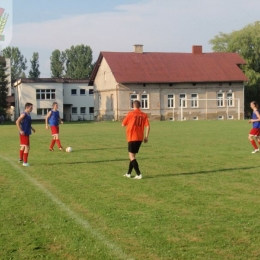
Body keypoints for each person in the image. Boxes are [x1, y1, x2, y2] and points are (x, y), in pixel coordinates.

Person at [122, 100, 150, 179]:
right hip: (139, 137)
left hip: (132, 136)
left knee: (131, 156)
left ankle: (138, 174)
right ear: (140, 106)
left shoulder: (131, 114)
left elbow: (123, 124)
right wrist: (146, 136)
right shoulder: (144, 115)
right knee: (133, 155)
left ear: (133, 106)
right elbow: (148, 126)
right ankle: (128, 173)